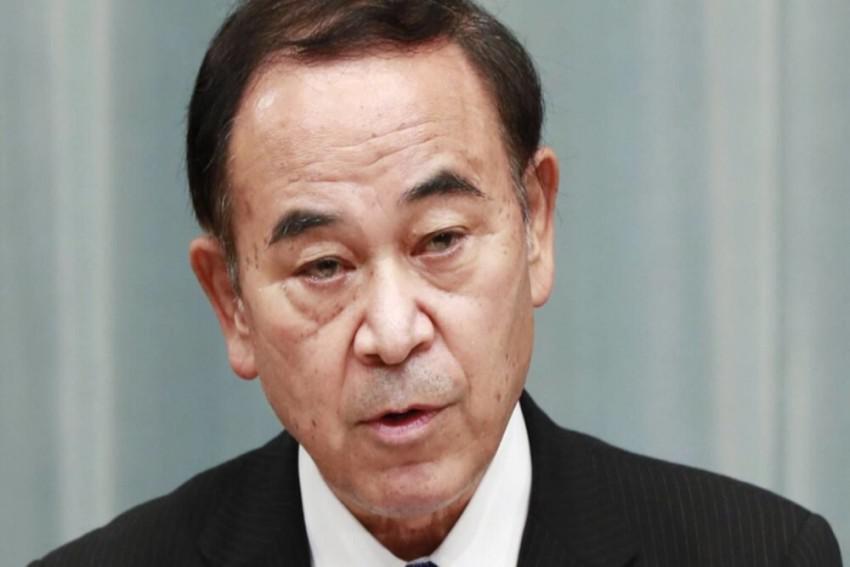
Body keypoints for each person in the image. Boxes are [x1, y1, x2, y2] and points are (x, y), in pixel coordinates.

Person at [32, 1, 842, 565]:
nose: (393, 334)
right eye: (324, 265)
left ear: (535, 225)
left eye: (442, 240)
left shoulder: (760, 554)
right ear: (232, 303)